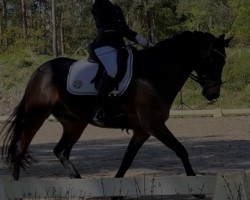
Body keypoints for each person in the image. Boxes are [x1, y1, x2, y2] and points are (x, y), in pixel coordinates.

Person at [91, 0, 150, 126]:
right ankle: (98, 109)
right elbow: (106, 26)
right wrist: (122, 31)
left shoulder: (117, 7)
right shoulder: (99, 4)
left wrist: (144, 42)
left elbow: (125, 30)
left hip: (119, 46)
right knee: (113, 70)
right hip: (104, 44)